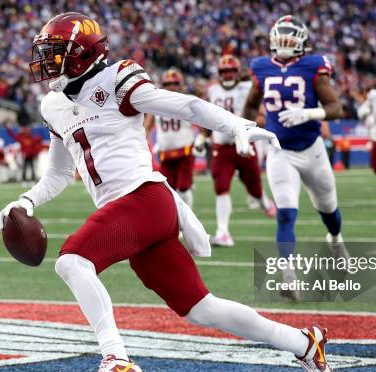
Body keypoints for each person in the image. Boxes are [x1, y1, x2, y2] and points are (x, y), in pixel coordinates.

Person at [0, 12, 334, 372]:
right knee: (200, 308)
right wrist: (25, 200)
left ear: (80, 55)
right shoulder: (53, 105)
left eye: (54, 53)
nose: (45, 62)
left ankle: (114, 357)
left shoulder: (117, 79)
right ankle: (305, 343)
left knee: (72, 260)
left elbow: (185, 106)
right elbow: (58, 173)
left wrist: (236, 125)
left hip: (144, 197)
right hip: (134, 211)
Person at [241, 15, 349, 300]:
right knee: (286, 212)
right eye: (281, 37)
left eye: (291, 38)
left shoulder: (313, 66)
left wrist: (309, 113)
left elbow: (336, 108)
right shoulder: (261, 68)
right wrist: (240, 131)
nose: (285, 43)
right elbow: (250, 106)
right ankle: (289, 276)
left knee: (329, 211)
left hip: (313, 150)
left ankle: (336, 240)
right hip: (280, 151)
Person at [195, 55, 276, 246]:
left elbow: (262, 114)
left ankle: (265, 202)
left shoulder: (248, 88)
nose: (228, 74)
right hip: (222, 147)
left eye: (231, 70)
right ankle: (223, 232)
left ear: (238, 72)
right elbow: (208, 118)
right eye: (224, 71)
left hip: (245, 145)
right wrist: (202, 137)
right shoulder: (212, 90)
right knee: (221, 187)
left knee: (254, 189)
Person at [144, 69, 197, 208]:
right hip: (165, 153)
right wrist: (143, 144)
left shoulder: (187, 101)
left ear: (180, 85)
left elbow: (204, 119)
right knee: (169, 189)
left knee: (184, 187)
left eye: (174, 83)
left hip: (185, 150)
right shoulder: (156, 103)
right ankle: (177, 218)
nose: (171, 87)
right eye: (167, 84)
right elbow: (147, 127)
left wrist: (203, 137)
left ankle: (188, 217)